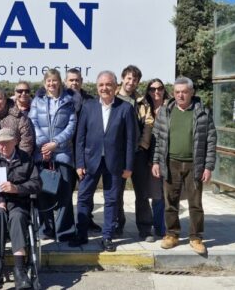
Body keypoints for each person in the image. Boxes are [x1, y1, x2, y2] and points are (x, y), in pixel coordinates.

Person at [70, 71, 137, 252]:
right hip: (90, 161)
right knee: (83, 197)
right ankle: (81, 234)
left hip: (115, 163)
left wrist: (129, 166)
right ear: (97, 87)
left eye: (108, 85)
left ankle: (107, 236)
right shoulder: (88, 106)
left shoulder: (125, 108)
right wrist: (79, 163)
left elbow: (131, 140)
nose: (104, 88)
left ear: (115, 86)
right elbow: (80, 138)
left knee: (112, 200)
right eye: (101, 85)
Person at [152, 77, 216, 255]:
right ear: (173, 93)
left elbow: (211, 140)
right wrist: (156, 161)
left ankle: (196, 237)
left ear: (191, 92)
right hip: (170, 163)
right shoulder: (165, 112)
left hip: (194, 164)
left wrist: (208, 166)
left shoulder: (202, 112)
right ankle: (172, 234)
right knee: (170, 202)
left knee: (195, 203)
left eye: (184, 92)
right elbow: (158, 140)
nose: (180, 95)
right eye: (177, 92)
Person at [0, 128, 41, 289]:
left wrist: (17, 188)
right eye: (0, 143)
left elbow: (37, 184)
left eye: (7, 143)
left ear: (15, 142)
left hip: (17, 202)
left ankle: (19, 269)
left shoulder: (26, 158)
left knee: (18, 217)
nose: (3, 147)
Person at [29, 69, 76, 241]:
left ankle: (65, 231)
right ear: (44, 83)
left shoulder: (69, 101)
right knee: (44, 193)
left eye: (54, 80)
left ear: (60, 82)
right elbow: (32, 122)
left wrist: (55, 143)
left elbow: (71, 126)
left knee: (65, 194)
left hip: (62, 154)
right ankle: (46, 229)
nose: (51, 84)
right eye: (48, 81)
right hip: (42, 154)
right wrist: (44, 145)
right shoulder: (37, 101)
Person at [115, 65, 152, 239]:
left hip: (137, 153)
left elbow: (148, 124)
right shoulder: (111, 97)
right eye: (128, 78)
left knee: (142, 193)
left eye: (135, 79)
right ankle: (117, 226)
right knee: (116, 193)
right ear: (123, 78)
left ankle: (145, 228)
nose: (131, 82)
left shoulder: (142, 101)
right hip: (118, 154)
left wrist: (143, 146)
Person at [64, 68, 101, 233]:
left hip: (86, 153)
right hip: (65, 152)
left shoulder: (91, 101)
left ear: (82, 81)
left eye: (77, 80)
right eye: (71, 80)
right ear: (66, 82)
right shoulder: (61, 99)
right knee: (66, 191)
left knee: (87, 191)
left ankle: (87, 220)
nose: (74, 83)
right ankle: (68, 223)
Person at [142, 79, 170, 240]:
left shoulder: (170, 108)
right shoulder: (144, 108)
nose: (156, 92)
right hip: (147, 156)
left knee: (163, 194)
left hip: (166, 156)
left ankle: (161, 227)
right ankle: (155, 226)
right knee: (154, 193)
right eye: (152, 89)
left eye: (159, 88)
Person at [0, 87, 35, 156]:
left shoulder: (19, 117)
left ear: (5, 99)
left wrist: (19, 161)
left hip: (16, 161)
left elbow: (27, 143)